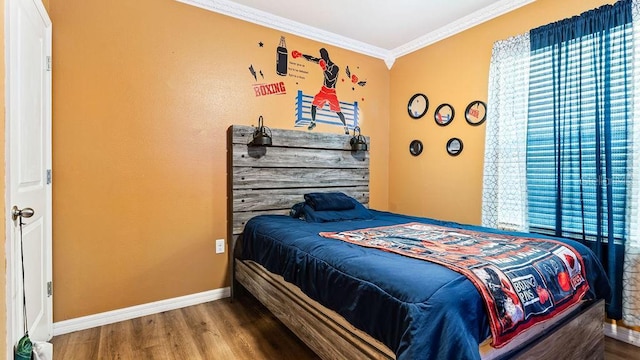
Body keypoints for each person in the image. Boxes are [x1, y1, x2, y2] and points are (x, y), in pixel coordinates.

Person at [304, 48, 349, 134]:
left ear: (327, 56)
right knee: (314, 105)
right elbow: (311, 58)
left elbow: (330, 79)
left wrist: (324, 68)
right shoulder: (322, 62)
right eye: (321, 57)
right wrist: (300, 55)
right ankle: (313, 122)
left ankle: (345, 127)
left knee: (338, 111)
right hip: (324, 90)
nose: (322, 58)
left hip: (331, 92)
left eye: (323, 56)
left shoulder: (335, 67)